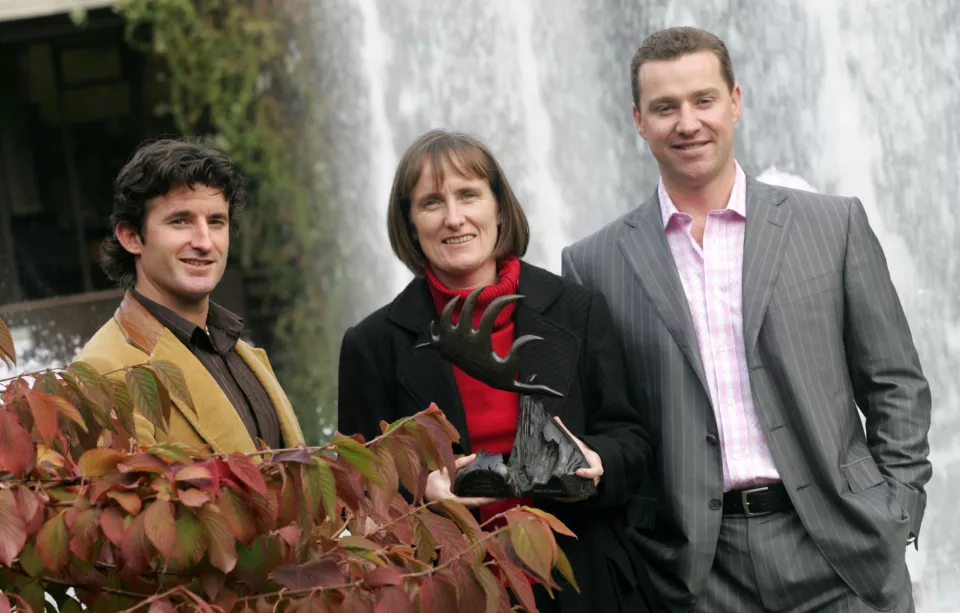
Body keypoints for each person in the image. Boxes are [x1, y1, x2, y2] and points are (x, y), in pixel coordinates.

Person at [562, 26, 931, 613]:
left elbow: (896, 384)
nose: (687, 122)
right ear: (638, 120)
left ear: (735, 101)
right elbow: (609, 424)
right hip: (694, 575)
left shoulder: (832, 226)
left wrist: (896, 510)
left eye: (703, 100)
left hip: (843, 551)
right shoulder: (592, 265)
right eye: (665, 107)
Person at [337, 130, 657, 613]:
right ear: (410, 223)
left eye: (468, 194)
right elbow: (357, 491)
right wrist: (421, 491)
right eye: (430, 202)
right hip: (449, 591)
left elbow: (633, 441)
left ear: (499, 207)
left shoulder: (576, 309)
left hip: (581, 583)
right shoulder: (373, 345)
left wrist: (597, 459)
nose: (453, 217)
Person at [77, 139, 305, 453]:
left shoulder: (247, 356)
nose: (204, 241)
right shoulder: (104, 371)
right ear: (131, 237)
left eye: (216, 222)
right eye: (180, 221)